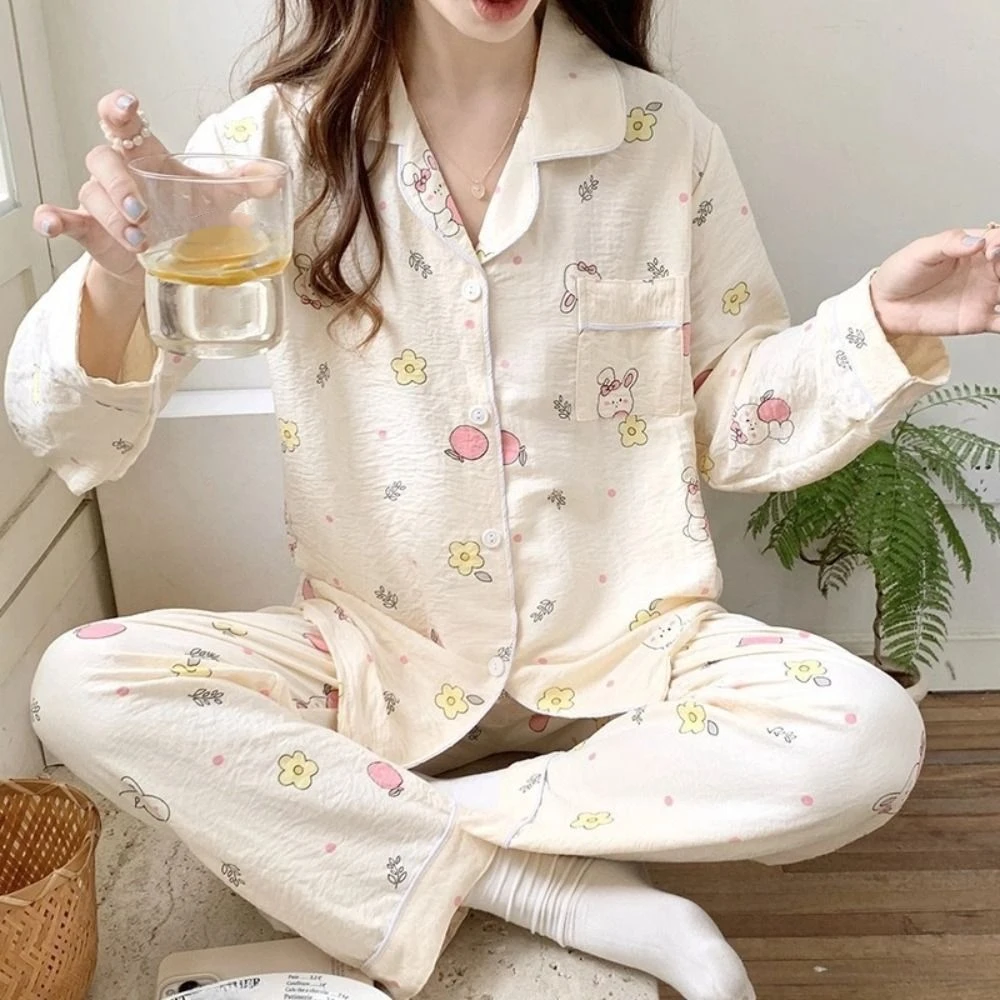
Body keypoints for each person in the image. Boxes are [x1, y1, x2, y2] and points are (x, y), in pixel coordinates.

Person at [5, 1, 999, 997]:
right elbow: (74, 432)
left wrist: (877, 327)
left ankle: (391, 835)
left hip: (629, 661)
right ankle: (546, 885)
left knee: (869, 738)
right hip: (376, 659)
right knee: (81, 686)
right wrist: (121, 286)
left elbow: (728, 421)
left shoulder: (660, 135)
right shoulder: (269, 145)